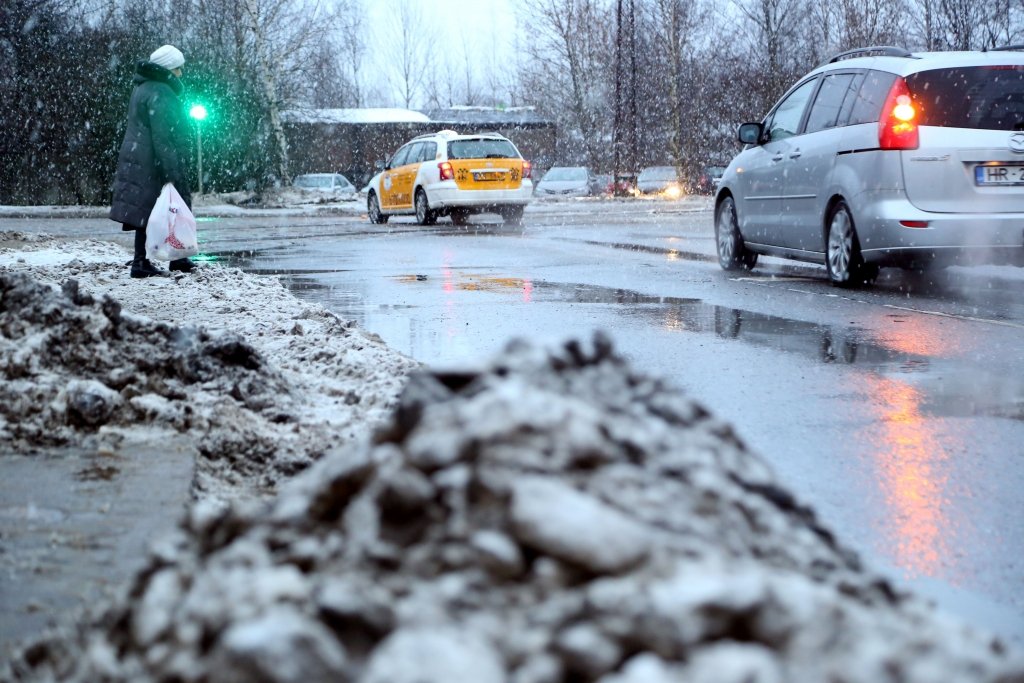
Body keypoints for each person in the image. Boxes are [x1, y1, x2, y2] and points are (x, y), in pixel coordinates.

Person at [110, 44, 195, 278]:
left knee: (148, 210)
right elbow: (163, 136)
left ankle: (148, 260)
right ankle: (155, 261)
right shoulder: (161, 91)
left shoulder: (143, 88)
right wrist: (172, 169)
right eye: (178, 69)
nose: (181, 74)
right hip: (152, 159)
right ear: (168, 68)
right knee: (169, 207)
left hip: (140, 156)